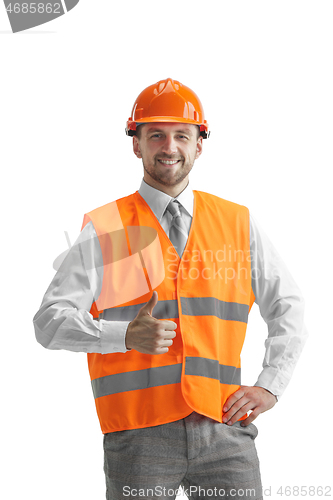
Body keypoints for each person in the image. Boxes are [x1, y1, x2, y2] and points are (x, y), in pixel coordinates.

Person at [33, 78, 308, 500]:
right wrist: (122, 335)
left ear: (200, 144)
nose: (169, 146)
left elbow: (287, 305)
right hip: (138, 434)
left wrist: (271, 384)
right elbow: (49, 322)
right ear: (136, 144)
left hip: (224, 428)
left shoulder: (237, 222)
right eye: (155, 134)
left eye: (182, 134)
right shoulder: (105, 228)